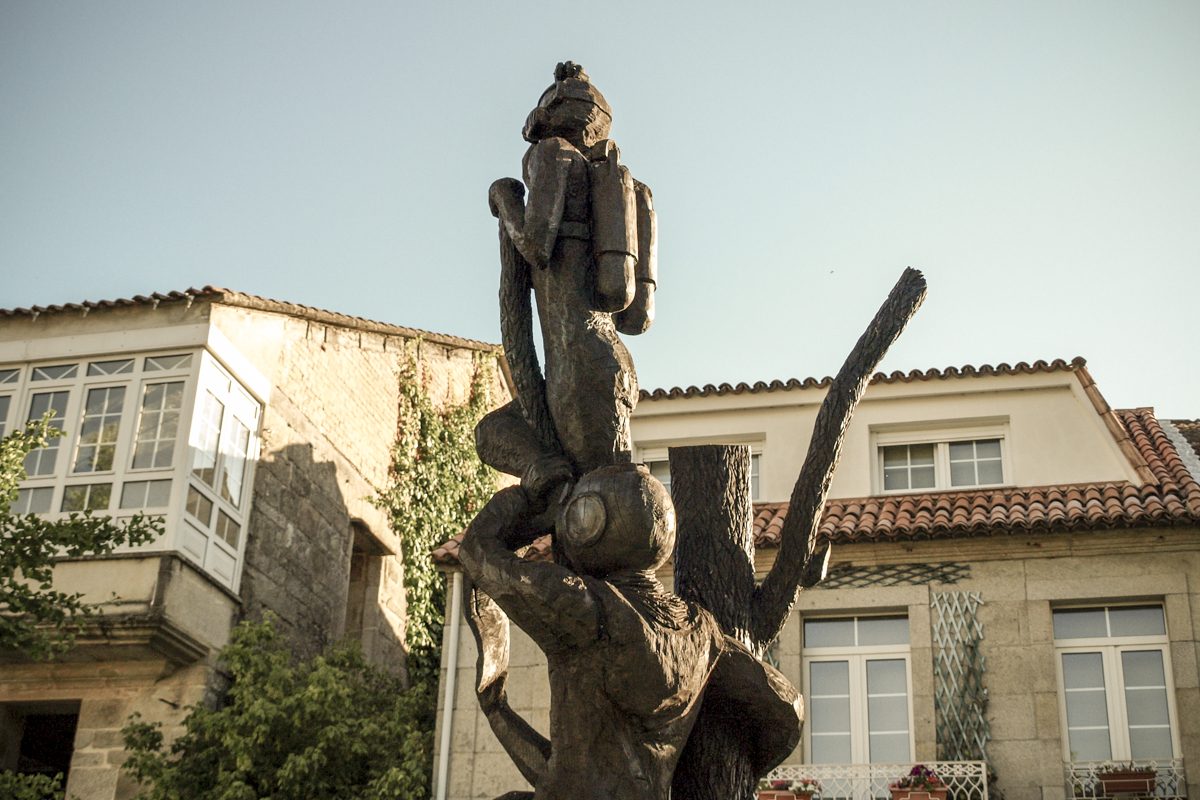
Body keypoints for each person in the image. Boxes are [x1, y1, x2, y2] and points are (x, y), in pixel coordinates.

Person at [459, 464, 800, 800]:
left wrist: (527, 500)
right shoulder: (702, 633)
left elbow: (477, 552)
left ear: (588, 524)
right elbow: (787, 709)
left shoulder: (584, 606)